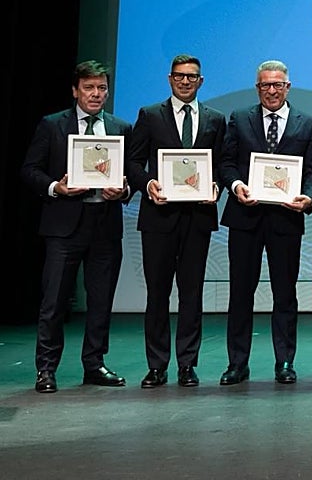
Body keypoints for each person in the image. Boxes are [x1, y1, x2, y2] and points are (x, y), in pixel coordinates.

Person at [20, 60, 132, 394]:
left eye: (101, 88)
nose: (96, 94)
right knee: (54, 302)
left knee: (101, 301)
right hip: (64, 226)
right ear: (75, 90)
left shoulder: (120, 128)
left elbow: (129, 176)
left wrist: (124, 190)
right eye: (89, 88)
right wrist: (57, 187)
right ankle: (46, 369)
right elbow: (30, 170)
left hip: (105, 224)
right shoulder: (52, 125)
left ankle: (94, 364)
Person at [124, 53, 226, 389]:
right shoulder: (150, 115)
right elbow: (134, 162)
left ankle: (187, 364)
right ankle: (156, 365)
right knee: (157, 293)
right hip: (159, 216)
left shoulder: (215, 119)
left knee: (192, 293)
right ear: (170, 79)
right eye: (180, 76)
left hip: (197, 217)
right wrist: (147, 184)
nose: (185, 81)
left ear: (201, 81)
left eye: (192, 76)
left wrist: (216, 185)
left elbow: (222, 165)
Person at [217, 59, 312, 386]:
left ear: (288, 87)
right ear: (257, 87)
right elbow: (227, 163)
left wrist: (308, 197)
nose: (272, 90)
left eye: (278, 85)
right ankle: (237, 363)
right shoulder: (239, 119)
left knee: (285, 293)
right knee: (240, 294)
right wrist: (236, 187)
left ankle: (285, 361)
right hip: (245, 217)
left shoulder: (307, 123)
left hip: (286, 218)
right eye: (265, 85)